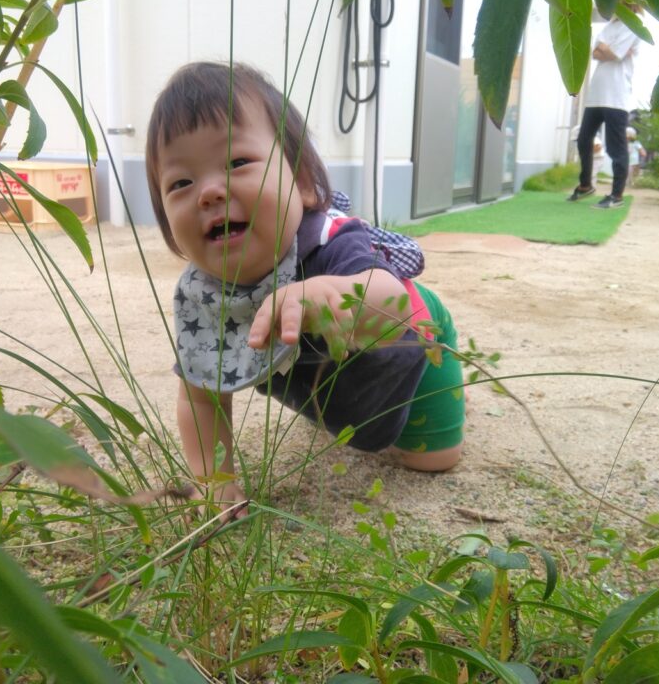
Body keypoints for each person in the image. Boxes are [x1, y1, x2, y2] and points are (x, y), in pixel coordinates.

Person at [144, 61, 465, 514]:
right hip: (333, 378)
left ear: (304, 185)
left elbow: (393, 306)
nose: (209, 192)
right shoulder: (204, 299)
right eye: (181, 182)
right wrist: (214, 482)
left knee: (431, 460)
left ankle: (436, 391)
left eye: (237, 163)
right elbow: (200, 396)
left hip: (418, 342)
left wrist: (330, 295)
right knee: (333, 415)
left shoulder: (329, 241)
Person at [568, 10, 639, 209]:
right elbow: (596, 52)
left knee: (615, 147)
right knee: (583, 139)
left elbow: (614, 54)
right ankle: (586, 185)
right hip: (596, 94)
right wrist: (609, 51)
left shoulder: (635, 25)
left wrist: (609, 50)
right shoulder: (609, 26)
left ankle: (616, 195)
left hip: (617, 96)